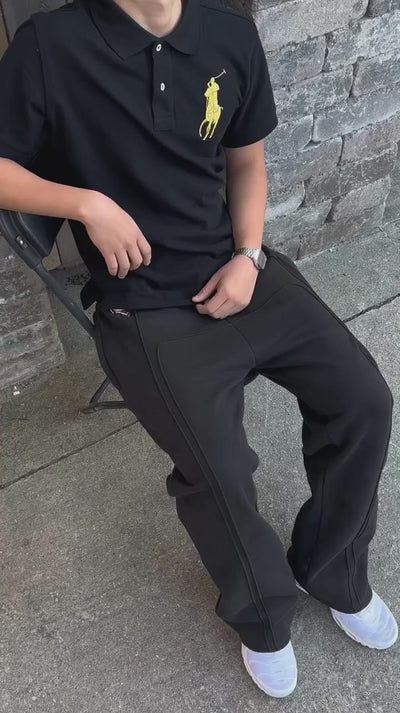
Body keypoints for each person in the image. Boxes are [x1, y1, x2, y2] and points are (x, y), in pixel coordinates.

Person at [0, 0, 397, 699]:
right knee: (218, 469)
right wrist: (86, 204)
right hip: (145, 304)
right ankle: (263, 617)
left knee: (365, 399)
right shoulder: (49, 46)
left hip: (239, 271)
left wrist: (248, 255)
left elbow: (246, 164)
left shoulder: (229, 35)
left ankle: (332, 568)